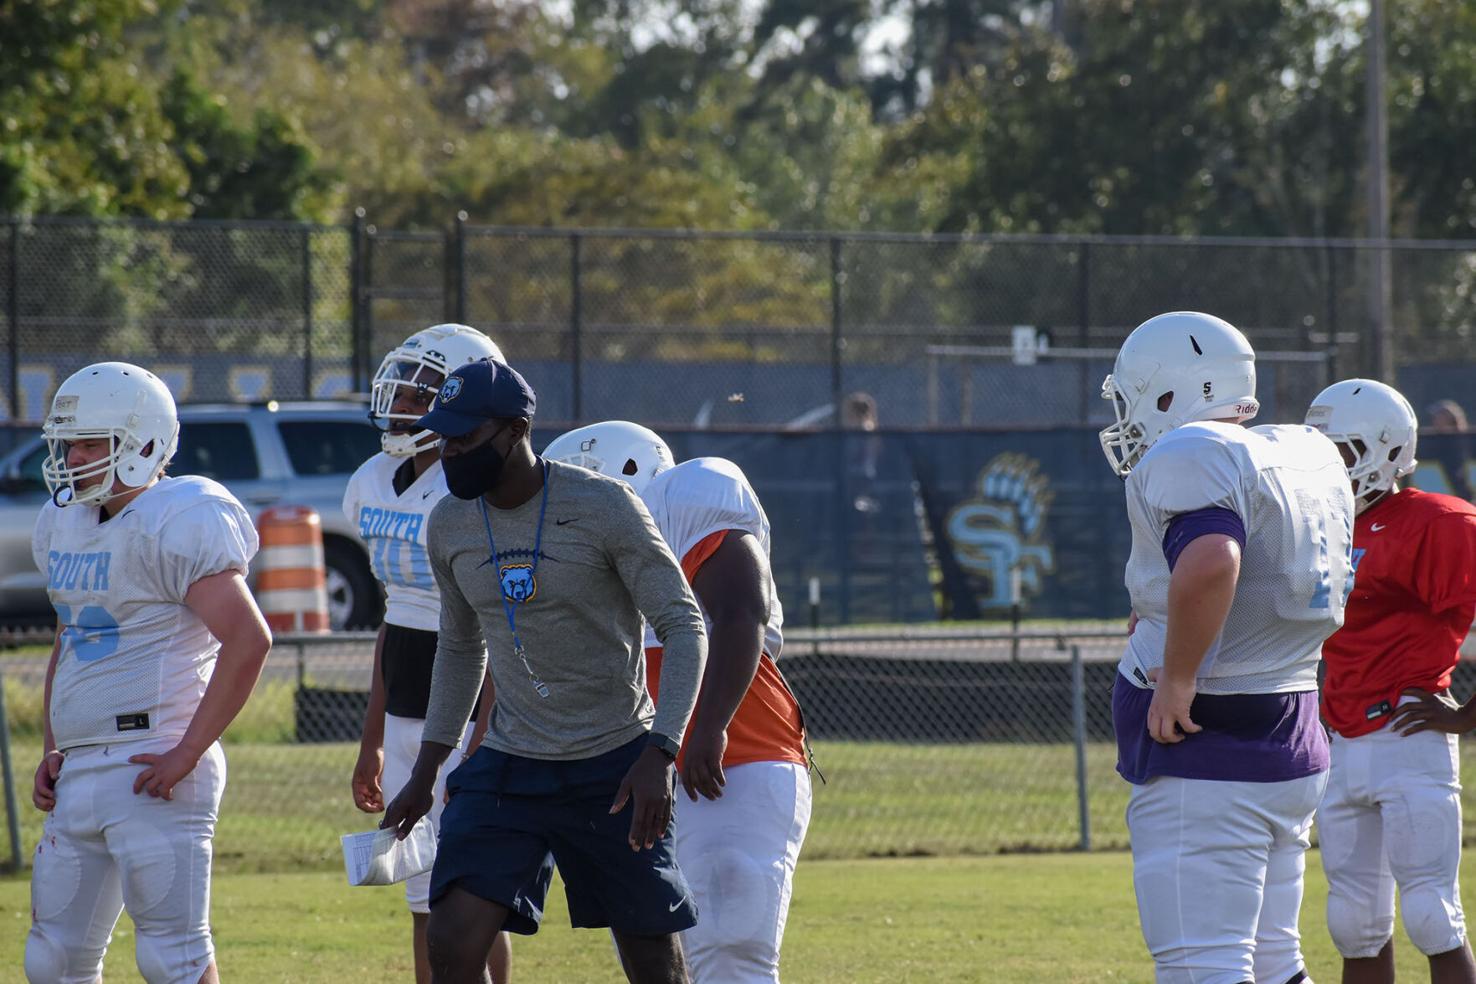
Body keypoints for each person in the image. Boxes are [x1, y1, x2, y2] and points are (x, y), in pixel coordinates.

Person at [379, 359, 709, 984]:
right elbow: (458, 646)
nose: (449, 453)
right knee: (449, 938)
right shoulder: (449, 522)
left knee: (650, 956)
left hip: (615, 758)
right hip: (512, 759)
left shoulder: (604, 504)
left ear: (515, 430)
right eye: (442, 438)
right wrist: (427, 772)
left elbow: (683, 624)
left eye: (465, 439)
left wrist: (660, 753)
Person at [1100, 311, 1354, 984]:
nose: (1126, 419)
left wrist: (1177, 677)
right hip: (1289, 732)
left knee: (1202, 967)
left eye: (1133, 398)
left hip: (1212, 754)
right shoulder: (1302, 451)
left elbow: (1213, 560)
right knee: (1274, 962)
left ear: (1168, 393)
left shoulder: (1192, 453)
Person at [25, 362, 272, 984]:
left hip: (152, 760)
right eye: (68, 442)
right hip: (82, 763)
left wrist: (188, 750)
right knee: (52, 960)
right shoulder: (65, 521)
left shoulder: (179, 514)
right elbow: (71, 635)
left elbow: (248, 639)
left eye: (89, 442)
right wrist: (55, 746)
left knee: (173, 958)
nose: (72, 456)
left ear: (140, 442)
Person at [544, 421, 812, 984]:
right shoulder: (590, 559)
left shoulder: (687, 495)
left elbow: (743, 616)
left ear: (624, 476)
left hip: (732, 755)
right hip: (634, 770)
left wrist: (708, 727)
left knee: (731, 950)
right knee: (663, 959)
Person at [345, 323, 512, 984]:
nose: (406, 406)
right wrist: (373, 738)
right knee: (422, 898)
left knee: (464, 898)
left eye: (423, 394)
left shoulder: (477, 485)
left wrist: (488, 733)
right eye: (406, 391)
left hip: (471, 707)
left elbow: (501, 623)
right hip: (409, 705)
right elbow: (393, 617)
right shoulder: (372, 480)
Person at [1306, 379, 1476, 984]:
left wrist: (1464, 716)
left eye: (1342, 452)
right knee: (1353, 924)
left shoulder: (1439, 521)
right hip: (1339, 737)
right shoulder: (1322, 526)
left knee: (1432, 914)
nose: (1329, 466)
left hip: (1409, 734)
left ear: (1385, 449)